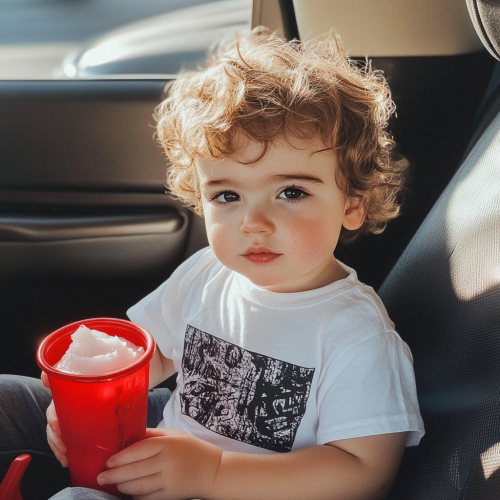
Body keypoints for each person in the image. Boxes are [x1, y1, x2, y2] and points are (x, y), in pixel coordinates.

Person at [1, 28, 424, 500]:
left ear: (352, 203)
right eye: (227, 195)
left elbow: (365, 471)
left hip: (238, 489)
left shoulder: (356, 335)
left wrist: (213, 473)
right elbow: (157, 354)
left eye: (292, 192)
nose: (254, 222)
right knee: (7, 400)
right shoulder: (209, 272)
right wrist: (87, 405)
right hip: (163, 454)